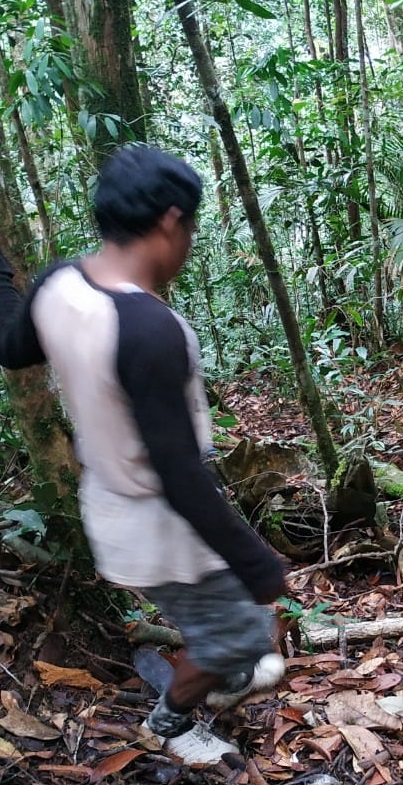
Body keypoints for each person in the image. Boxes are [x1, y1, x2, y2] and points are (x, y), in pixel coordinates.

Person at [0, 145, 287, 766]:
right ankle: (170, 724)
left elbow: (12, 347)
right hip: (158, 519)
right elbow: (180, 477)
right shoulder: (148, 330)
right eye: (191, 229)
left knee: (229, 632)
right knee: (239, 635)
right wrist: (258, 564)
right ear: (170, 221)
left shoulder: (59, 283)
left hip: (112, 504)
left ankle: (219, 675)